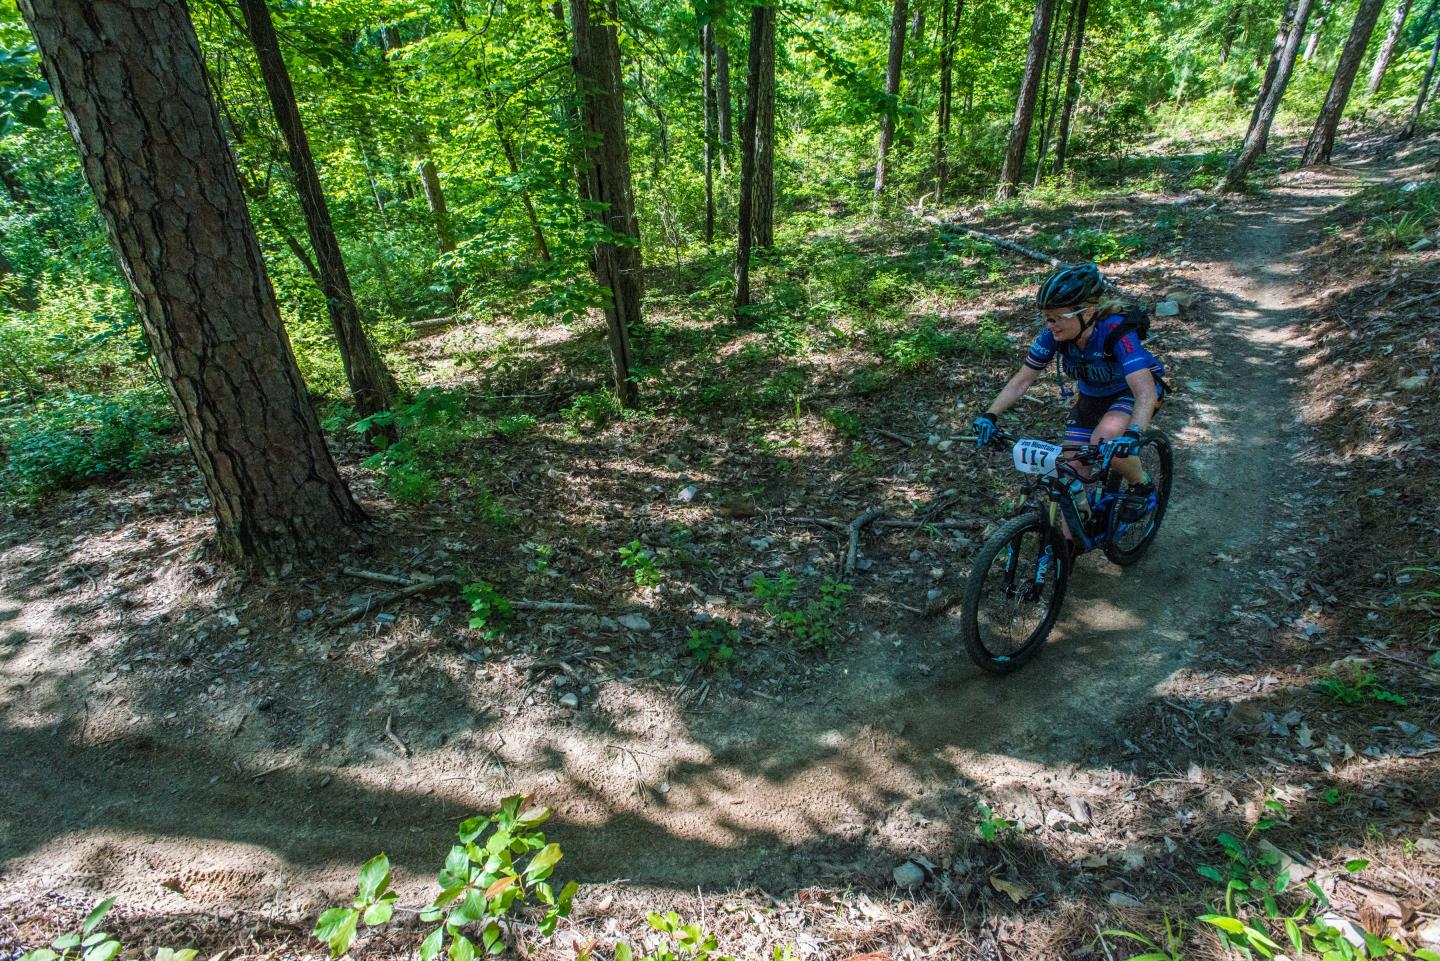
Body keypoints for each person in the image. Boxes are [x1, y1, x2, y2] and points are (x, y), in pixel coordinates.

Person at [972, 262, 1165, 523]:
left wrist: (1133, 433)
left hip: (1130, 392)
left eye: (1058, 317)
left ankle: (1141, 485)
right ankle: (1072, 542)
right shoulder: (1053, 335)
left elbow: (1144, 392)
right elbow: (1021, 380)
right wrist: (990, 415)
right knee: (1069, 469)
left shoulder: (1117, 332)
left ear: (1089, 312)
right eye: (1047, 317)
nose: (1051, 325)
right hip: (1091, 396)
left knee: (1104, 440)